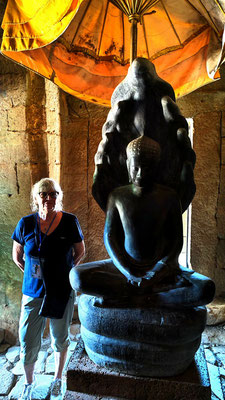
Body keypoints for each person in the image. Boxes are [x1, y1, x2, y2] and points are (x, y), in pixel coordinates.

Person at [70, 136, 215, 308]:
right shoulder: (117, 196)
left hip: (162, 269)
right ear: (127, 166)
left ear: (156, 168)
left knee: (205, 289)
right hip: (124, 267)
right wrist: (127, 271)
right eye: (136, 168)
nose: (141, 173)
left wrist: (158, 271)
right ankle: (152, 296)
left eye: (146, 168)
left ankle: (128, 296)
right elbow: (110, 239)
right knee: (76, 277)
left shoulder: (169, 197)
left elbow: (176, 242)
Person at [12, 178, 85, 400]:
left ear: (59, 196)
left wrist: (65, 272)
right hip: (32, 291)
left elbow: (80, 251)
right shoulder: (25, 223)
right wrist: (35, 275)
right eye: (44, 194)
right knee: (27, 339)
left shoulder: (70, 221)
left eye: (53, 194)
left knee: (60, 337)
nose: (49, 198)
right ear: (36, 198)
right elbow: (17, 256)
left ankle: (57, 379)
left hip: (61, 290)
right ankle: (28, 382)